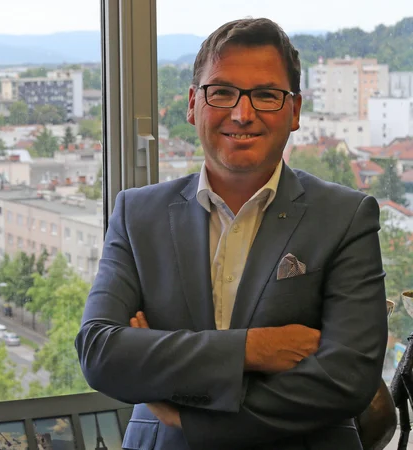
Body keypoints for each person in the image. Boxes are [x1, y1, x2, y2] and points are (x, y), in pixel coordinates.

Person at [75, 18, 387, 450]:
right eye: (222, 92)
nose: (243, 113)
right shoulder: (136, 213)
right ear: (192, 104)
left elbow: (346, 377)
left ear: (294, 111)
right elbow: (101, 352)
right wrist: (251, 350)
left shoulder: (346, 216)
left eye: (266, 95)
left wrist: (181, 406)